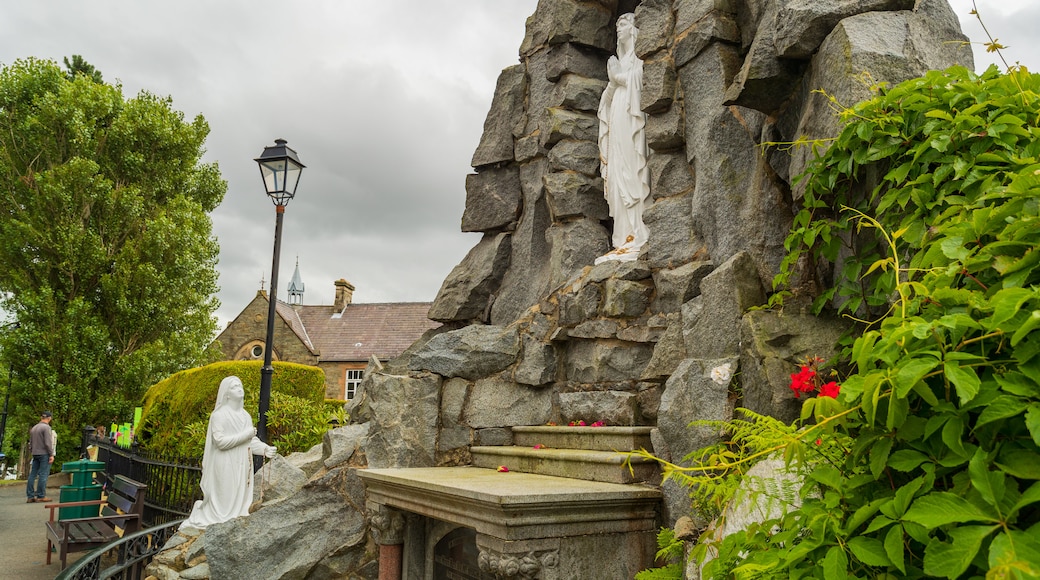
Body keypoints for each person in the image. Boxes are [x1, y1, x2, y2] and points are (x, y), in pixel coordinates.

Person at [180, 376, 276, 531]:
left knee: (238, 499)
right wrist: (247, 434)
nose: (239, 388)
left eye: (240, 385)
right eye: (234, 386)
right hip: (225, 462)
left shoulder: (245, 416)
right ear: (226, 394)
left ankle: (234, 520)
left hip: (242, 463)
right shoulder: (219, 415)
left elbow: (250, 441)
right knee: (224, 499)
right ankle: (220, 523)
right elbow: (221, 442)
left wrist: (264, 448)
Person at [596, 13, 651, 265]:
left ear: (634, 30)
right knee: (617, 175)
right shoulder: (618, 61)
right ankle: (624, 237)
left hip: (631, 121)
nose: (619, 30)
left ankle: (640, 232)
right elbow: (605, 103)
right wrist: (611, 84)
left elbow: (640, 80)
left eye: (624, 25)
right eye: (617, 26)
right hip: (617, 121)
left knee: (633, 173)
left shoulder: (637, 59)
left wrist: (619, 78)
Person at [26, 411, 55, 503]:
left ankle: (30, 496)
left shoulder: (34, 428)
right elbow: (47, 442)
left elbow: (30, 443)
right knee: (43, 474)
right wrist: (51, 454)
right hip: (44, 454)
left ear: (41, 417)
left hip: (35, 453)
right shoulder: (46, 428)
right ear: (49, 418)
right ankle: (41, 495)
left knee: (32, 474)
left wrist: (32, 451)